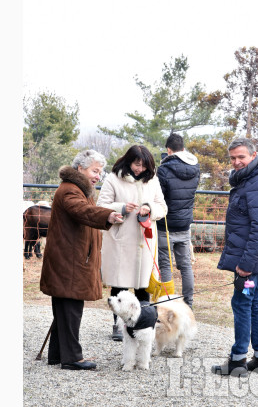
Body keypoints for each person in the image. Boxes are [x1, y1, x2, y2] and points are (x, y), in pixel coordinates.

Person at [39, 150, 125, 371]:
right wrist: (106, 215)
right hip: (69, 260)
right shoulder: (70, 191)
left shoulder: (78, 189)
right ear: (80, 169)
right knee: (70, 308)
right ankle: (72, 358)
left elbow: (85, 210)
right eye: (95, 171)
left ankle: (58, 355)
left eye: (100, 171)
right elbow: (83, 211)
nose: (98, 175)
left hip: (70, 258)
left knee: (65, 309)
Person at [211, 138, 258, 376]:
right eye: (232, 158)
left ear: (253, 155)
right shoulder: (249, 179)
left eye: (241, 157)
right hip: (249, 258)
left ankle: (238, 360)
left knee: (242, 304)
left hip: (248, 261)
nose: (237, 162)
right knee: (253, 304)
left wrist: (246, 265)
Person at [97, 145, 168, 341]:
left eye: (144, 166)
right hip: (121, 239)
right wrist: (121, 207)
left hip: (144, 240)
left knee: (143, 285)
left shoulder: (152, 179)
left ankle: (143, 324)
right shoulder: (113, 178)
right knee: (119, 285)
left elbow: (163, 207)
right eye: (137, 164)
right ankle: (118, 325)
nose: (140, 169)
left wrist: (149, 208)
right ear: (128, 161)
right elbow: (101, 206)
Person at [156, 133, 200, 308]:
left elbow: (159, 198)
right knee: (186, 266)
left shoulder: (164, 170)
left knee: (166, 265)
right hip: (184, 224)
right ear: (183, 149)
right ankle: (189, 304)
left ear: (168, 150)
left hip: (165, 225)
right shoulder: (196, 167)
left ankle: (168, 303)